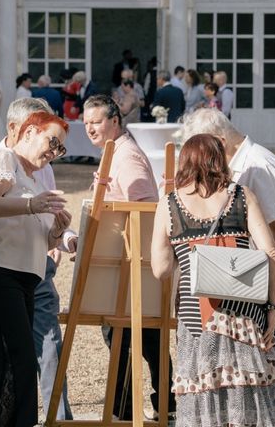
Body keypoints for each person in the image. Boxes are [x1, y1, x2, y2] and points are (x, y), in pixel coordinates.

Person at [182, 108, 275, 427]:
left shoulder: (259, 165)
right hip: (262, 289)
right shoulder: (241, 165)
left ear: (218, 141)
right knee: (264, 390)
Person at [150, 133, 275, 427]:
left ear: (184, 163)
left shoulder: (169, 204)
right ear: (219, 160)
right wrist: (274, 306)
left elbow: (161, 270)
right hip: (244, 313)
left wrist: (185, 251)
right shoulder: (242, 195)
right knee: (247, 390)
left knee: (202, 391)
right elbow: (272, 253)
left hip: (195, 315)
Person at [0, 97, 76, 422]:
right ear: (26, 132)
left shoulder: (35, 176)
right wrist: (30, 206)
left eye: (60, 149)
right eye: (52, 142)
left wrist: (58, 232)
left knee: (16, 362)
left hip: (22, 276)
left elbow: (38, 233)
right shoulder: (2, 158)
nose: (54, 152)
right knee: (16, 360)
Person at [82, 94, 176, 420]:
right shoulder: (115, 152)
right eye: (86, 123)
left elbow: (147, 212)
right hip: (124, 262)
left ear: (115, 121)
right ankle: (162, 405)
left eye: (96, 122)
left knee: (127, 333)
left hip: (132, 263)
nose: (90, 129)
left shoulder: (127, 158)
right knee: (143, 336)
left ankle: (129, 410)